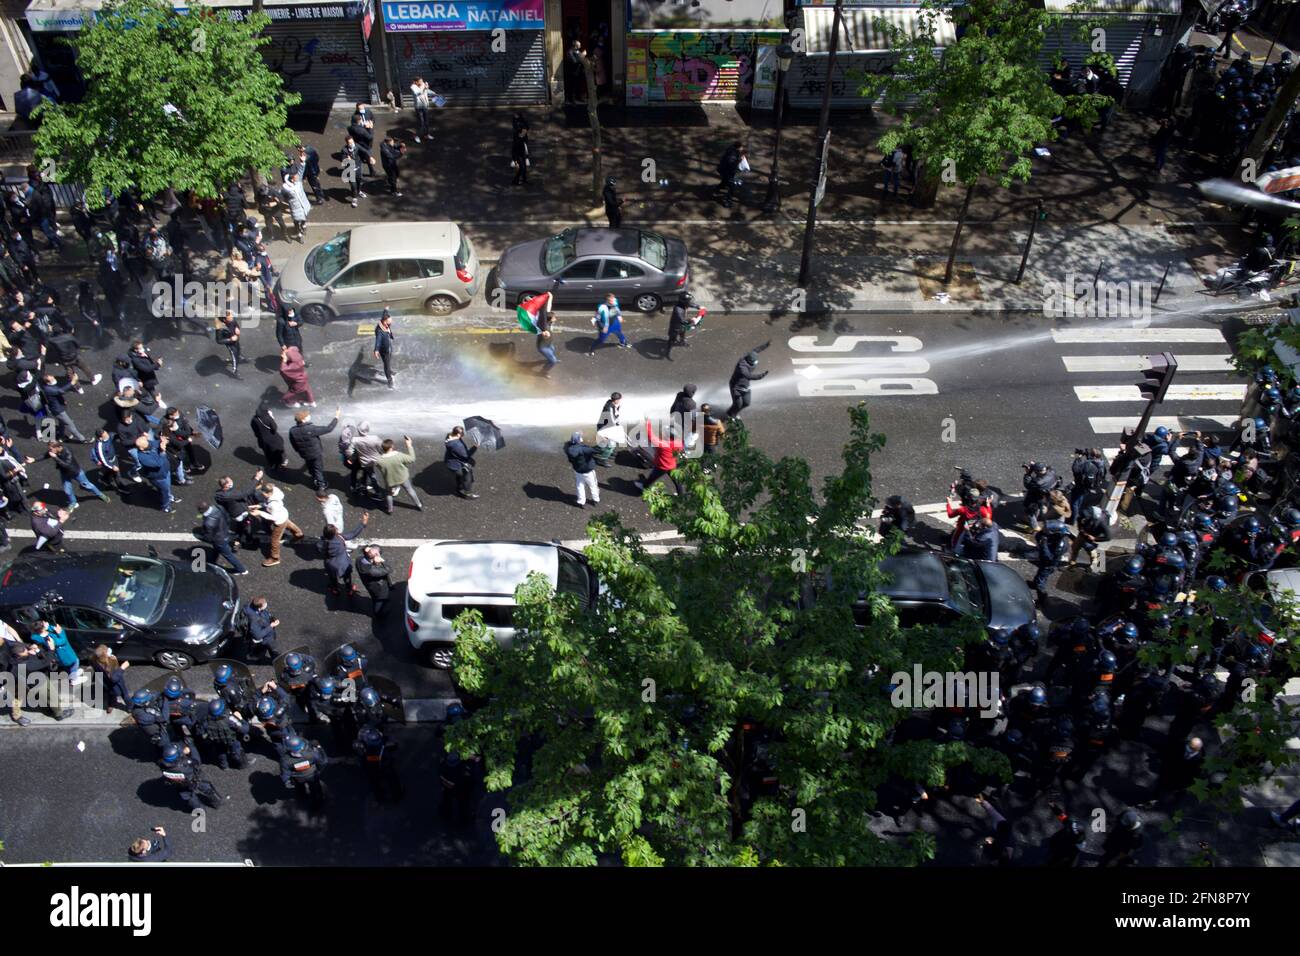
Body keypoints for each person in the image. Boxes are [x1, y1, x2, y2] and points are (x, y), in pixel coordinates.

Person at [248, 480, 304, 567]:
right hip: (283, 514)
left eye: (264, 494)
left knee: (274, 540)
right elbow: (267, 503)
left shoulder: (273, 505)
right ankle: (299, 534)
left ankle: (275, 558)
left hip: (279, 521)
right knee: (288, 524)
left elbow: (274, 518)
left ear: (268, 493)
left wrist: (259, 513)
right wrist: (259, 506)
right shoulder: (275, 491)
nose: (263, 495)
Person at [41, 441, 108, 510]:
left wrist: (55, 457)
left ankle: (100, 494)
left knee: (87, 485)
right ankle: (73, 502)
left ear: (58, 447)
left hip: (76, 472)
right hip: (65, 473)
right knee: (67, 490)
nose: (50, 451)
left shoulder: (67, 451)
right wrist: (34, 459)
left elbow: (66, 465)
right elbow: (45, 455)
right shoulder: (54, 451)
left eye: (51, 449)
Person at [159, 742, 221, 811]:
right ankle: (217, 803)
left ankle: (200, 810)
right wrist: (192, 747)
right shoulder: (185, 763)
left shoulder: (162, 764)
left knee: (189, 797)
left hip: (179, 783)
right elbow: (197, 761)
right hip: (194, 779)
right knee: (207, 788)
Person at [289, 407, 339, 492]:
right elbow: (329, 428)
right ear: (303, 420)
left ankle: (313, 476)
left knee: (310, 465)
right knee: (318, 469)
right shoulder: (311, 429)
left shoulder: (292, 431)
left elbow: (293, 443)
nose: (309, 416)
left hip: (304, 454)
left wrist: (299, 451)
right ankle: (321, 484)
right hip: (315, 453)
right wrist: (336, 417)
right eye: (307, 416)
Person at [323, 513, 369, 600]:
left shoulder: (323, 543)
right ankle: (349, 590)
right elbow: (353, 534)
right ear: (335, 532)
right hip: (343, 564)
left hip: (330, 565)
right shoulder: (340, 538)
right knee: (347, 578)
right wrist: (363, 523)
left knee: (332, 578)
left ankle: (335, 589)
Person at [196, 499, 248, 575]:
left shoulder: (208, 523)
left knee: (228, 555)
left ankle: (241, 569)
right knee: (216, 549)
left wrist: (204, 536)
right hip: (225, 532)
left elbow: (208, 537)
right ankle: (212, 561)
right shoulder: (218, 507)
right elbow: (227, 517)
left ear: (201, 510)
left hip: (218, 540)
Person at [373, 436, 422, 514]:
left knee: (389, 494)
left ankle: (390, 509)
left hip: (390, 480)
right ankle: (418, 504)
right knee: (410, 490)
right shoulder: (399, 455)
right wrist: (409, 445)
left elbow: (379, 465)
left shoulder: (379, 460)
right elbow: (412, 459)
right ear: (392, 446)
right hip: (403, 478)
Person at [635, 420, 684, 496]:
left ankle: (643, 487)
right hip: (672, 465)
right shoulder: (679, 443)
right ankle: (681, 494)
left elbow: (651, 436)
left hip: (661, 466)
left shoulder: (663, 444)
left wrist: (648, 423)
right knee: (676, 481)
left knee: (652, 477)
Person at [279, 735, 327, 811]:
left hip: (298, 777)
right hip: (312, 775)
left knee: (299, 787)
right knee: (316, 790)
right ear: (301, 746)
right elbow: (323, 762)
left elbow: (285, 774)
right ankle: (317, 805)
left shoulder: (285, 760)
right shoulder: (311, 754)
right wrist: (319, 747)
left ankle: (302, 796)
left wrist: (287, 781)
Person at [133, 433, 178, 513]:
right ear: (141, 448)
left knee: (167, 488)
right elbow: (158, 464)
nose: (150, 445)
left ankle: (169, 496)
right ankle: (165, 506)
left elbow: (156, 443)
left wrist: (163, 441)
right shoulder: (142, 457)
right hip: (158, 477)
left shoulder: (148, 444)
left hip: (166, 471)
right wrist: (162, 451)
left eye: (148, 442)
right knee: (164, 490)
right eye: (147, 445)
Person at [40, 371, 88, 443]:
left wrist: (62, 401)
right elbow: (60, 391)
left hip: (58, 408)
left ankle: (61, 437)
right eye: (52, 379)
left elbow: (57, 394)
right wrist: (73, 382)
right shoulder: (48, 389)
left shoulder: (48, 387)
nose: (54, 379)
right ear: (47, 382)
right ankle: (82, 439)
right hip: (58, 410)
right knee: (70, 424)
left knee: (62, 423)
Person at [726, 342, 771, 419]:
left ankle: (733, 412)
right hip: (736, 387)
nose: (755, 363)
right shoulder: (742, 367)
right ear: (749, 361)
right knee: (738, 405)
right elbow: (749, 376)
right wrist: (763, 375)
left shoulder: (749, 356)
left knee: (746, 403)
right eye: (754, 362)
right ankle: (731, 414)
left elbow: (756, 350)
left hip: (745, 386)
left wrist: (766, 345)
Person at [565, 430, 600, 507]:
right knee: (593, 485)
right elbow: (595, 450)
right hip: (588, 471)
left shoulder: (568, 449)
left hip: (578, 470)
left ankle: (581, 501)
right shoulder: (583, 449)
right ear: (579, 439)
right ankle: (596, 500)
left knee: (580, 485)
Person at [92, 644, 131, 712]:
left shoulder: (95, 660)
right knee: (125, 695)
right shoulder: (108, 664)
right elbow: (114, 678)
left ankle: (111, 705)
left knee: (110, 694)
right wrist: (122, 667)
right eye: (107, 651)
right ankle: (131, 707)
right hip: (116, 685)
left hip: (105, 684)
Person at [357, 545, 392, 618]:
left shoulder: (359, 559)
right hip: (379, 589)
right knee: (379, 601)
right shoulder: (372, 571)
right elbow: (389, 569)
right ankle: (379, 615)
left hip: (370, 586)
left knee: (375, 598)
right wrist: (383, 561)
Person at [444, 425, 478, 499]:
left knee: (459, 475)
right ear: (458, 434)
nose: (463, 436)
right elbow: (466, 456)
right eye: (462, 434)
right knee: (467, 477)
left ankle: (458, 488)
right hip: (458, 464)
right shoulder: (457, 445)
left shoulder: (449, 436)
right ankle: (468, 494)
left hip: (451, 462)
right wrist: (475, 447)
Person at [251, 403, 286, 473]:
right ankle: (281, 463)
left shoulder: (253, 420)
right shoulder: (268, 418)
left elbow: (256, 432)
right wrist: (272, 417)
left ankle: (272, 464)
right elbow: (274, 429)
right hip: (273, 439)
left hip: (262, 441)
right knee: (278, 451)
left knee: (268, 453)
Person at [666, 292, 701, 360]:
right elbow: (682, 321)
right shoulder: (678, 310)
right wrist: (691, 320)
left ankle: (682, 342)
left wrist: (698, 306)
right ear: (684, 302)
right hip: (675, 327)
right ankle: (668, 352)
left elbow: (689, 304)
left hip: (681, 326)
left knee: (682, 335)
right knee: (672, 339)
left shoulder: (683, 304)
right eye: (688, 301)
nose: (689, 302)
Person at [243, 596, 278, 662]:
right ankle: (276, 661)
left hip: (265, 635)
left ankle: (255, 655)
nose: (266, 604)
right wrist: (271, 626)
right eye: (265, 604)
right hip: (266, 639)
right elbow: (258, 635)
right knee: (274, 652)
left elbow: (265, 614)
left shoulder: (252, 607)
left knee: (260, 650)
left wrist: (271, 618)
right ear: (259, 608)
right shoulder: (254, 620)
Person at [716, 141, 744, 208]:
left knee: (725, 180)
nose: (742, 148)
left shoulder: (731, 150)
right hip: (728, 172)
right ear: (739, 147)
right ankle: (727, 201)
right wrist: (739, 161)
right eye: (742, 147)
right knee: (732, 187)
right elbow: (732, 165)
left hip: (723, 170)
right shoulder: (733, 155)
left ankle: (718, 188)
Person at [373, 309, 395, 388]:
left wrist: (386, 309)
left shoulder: (385, 323)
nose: (391, 322)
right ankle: (389, 380)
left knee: (389, 360)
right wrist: (376, 350)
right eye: (390, 321)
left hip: (388, 346)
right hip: (384, 350)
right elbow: (378, 341)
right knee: (386, 365)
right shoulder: (380, 331)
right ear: (385, 322)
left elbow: (385, 314)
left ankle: (389, 370)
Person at [216, 309, 241, 377]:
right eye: (230, 316)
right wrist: (230, 339)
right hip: (230, 343)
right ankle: (234, 371)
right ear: (224, 320)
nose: (232, 317)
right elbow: (219, 340)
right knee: (234, 354)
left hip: (235, 338)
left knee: (238, 348)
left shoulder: (232, 319)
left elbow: (236, 324)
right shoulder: (220, 328)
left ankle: (239, 356)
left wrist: (237, 328)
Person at [410, 77, 432, 142]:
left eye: (422, 81)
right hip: (418, 108)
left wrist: (434, 94)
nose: (422, 82)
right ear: (416, 82)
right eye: (420, 81)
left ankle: (427, 135)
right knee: (421, 123)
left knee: (427, 122)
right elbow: (418, 93)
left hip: (425, 106)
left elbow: (427, 91)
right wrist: (424, 87)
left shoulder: (423, 85)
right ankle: (416, 136)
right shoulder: (413, 87)